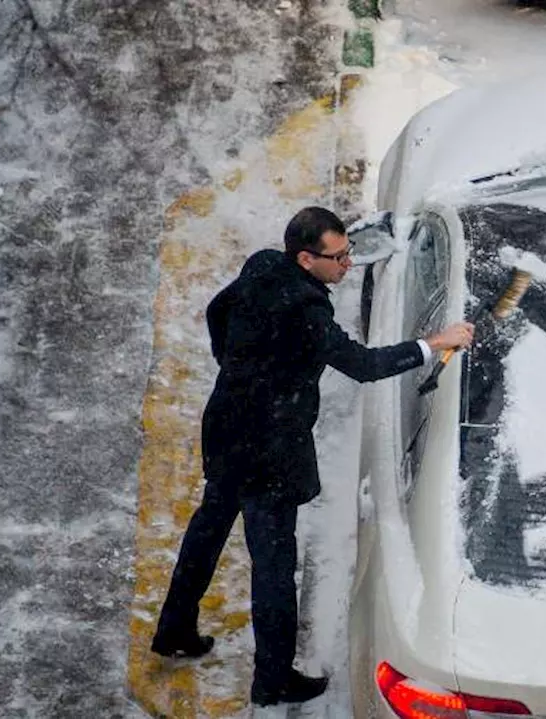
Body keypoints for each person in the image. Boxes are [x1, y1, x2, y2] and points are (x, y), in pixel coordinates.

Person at [149, 206, 473, 706]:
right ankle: (274, 679)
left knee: (209, 527)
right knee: (275, 566)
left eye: (349, 251)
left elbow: (218, 310)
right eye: (339, 256)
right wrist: (434, 344)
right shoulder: (307, 310)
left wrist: (239, 368)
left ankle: (174, 630)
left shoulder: (261, 266)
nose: (349, 263)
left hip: (226, 427)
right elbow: (363, 366)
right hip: (270, 451)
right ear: (305, 258)